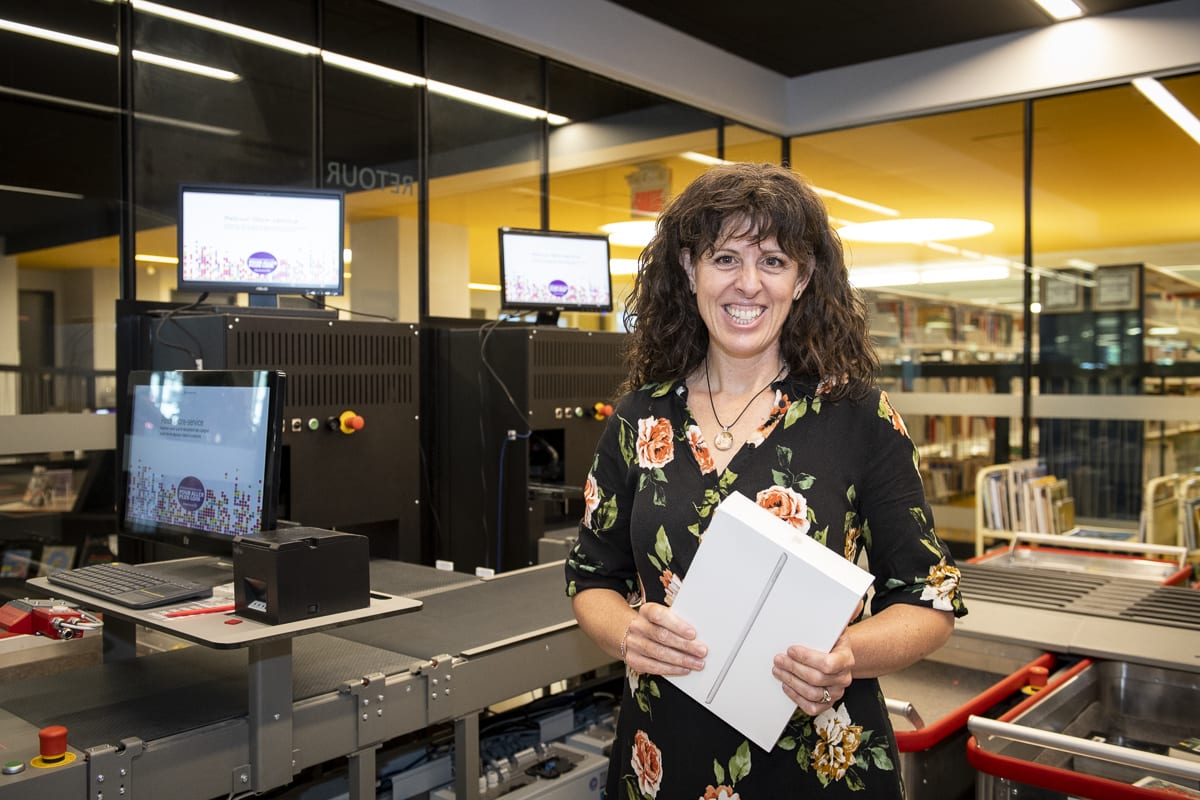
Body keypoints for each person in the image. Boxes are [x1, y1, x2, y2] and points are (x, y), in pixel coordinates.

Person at [564, 162, 966, 798]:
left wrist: (848, 656)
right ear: (690, 269)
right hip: (665, 754)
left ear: (803, 279)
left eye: (773, 261)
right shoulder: (640, 417)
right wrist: (628, 632)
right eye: (725, 257)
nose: (747, 283)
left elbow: (929, 597)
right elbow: (591, 576)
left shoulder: (859, 418)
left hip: (816, 760)